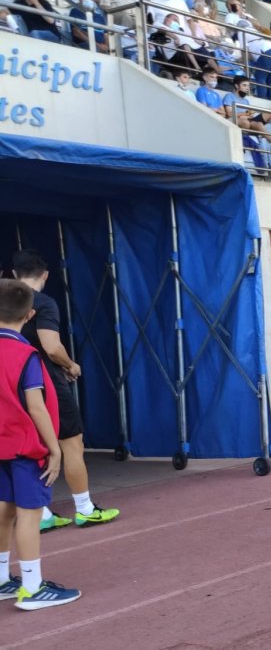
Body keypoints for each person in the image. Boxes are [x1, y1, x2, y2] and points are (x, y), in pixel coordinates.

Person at [13, 251, 120, 532]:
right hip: (44, 382)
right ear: (45, 275)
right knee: (71, 443)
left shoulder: (6, 304)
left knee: (29, 448)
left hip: (11, 384)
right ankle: (85, 509)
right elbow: (51, 347)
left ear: (13, 274)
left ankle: (42, 513)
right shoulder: (42, 303)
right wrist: (71, 365)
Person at [0, 279, 83, 610]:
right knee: (29, 514)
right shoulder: (25, 355)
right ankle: (32, 588)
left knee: (3, 510)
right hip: (24, 447)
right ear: (30, 315)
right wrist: (54, 448)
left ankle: (2, 579)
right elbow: (36, 407)